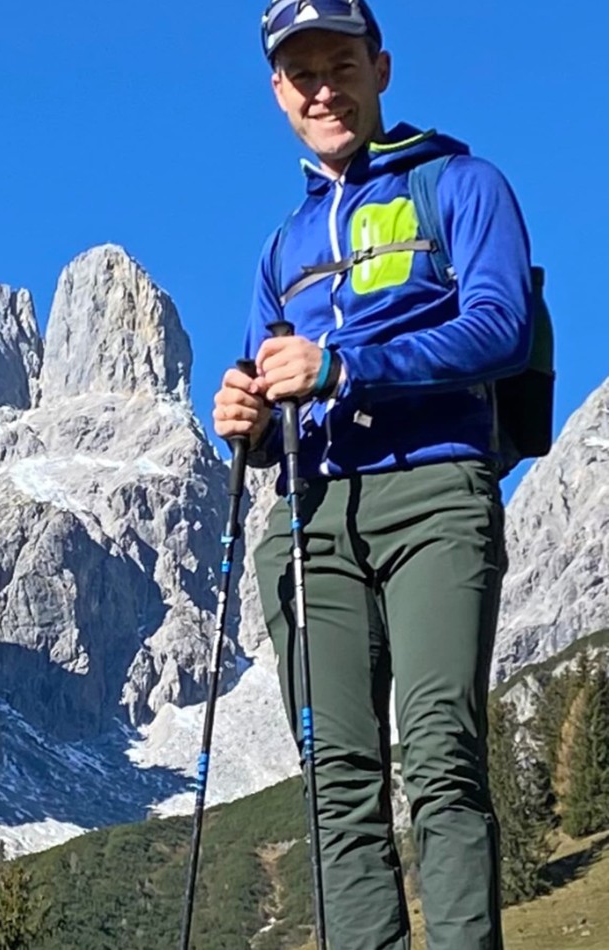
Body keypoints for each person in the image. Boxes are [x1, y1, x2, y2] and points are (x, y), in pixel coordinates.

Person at [213, 2, 534, 948]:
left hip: (437, 491)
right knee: (337, 784)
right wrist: (247, 420)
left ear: (380, 67)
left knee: (441, 758)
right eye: (301, 72)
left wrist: (347, 365)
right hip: (314, 520)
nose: (324, 87)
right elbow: (268, 395)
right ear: (278, 93)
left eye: (340, 63)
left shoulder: (461, 183)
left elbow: (501, 326)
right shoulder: (283, 248)